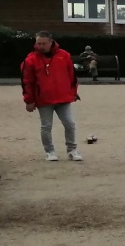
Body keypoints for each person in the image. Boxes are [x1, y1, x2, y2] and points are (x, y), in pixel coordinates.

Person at [21, 31, 83, 162]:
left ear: (51, 42)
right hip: (44, 99)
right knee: (46, 126)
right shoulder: (30, 59)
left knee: (70, 124)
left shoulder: (64, 55)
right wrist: (29, 100)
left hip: (63, 97)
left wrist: (73, 92)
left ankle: (72, 150)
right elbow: (27, 81)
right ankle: (50, 151)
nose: (40, 46)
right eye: (38, 43)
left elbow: (72, 76)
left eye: (43, 43)